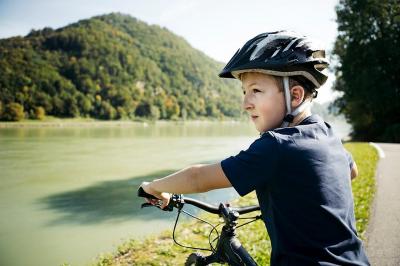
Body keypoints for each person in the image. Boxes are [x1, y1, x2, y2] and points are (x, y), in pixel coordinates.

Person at [139, 30, 369, 265]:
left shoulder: (277, 145)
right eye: (244, 92)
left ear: (296, 95)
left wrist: (154, 187)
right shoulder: (326, 132)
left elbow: (198, 178)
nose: (246, 104)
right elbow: (352, 172)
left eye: (256, 91)